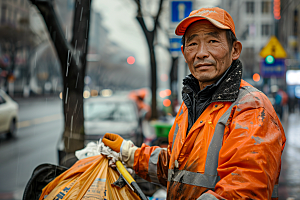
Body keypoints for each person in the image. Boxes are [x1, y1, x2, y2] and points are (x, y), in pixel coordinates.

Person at [102, 7, 286, 200]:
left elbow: (244, 189)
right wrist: (129, 153)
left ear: (235, 50)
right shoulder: (191, 104)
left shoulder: (252, 108)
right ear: (184, 52)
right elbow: (178, 169)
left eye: (213, 41)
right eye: (193, 44)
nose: (201, 53)